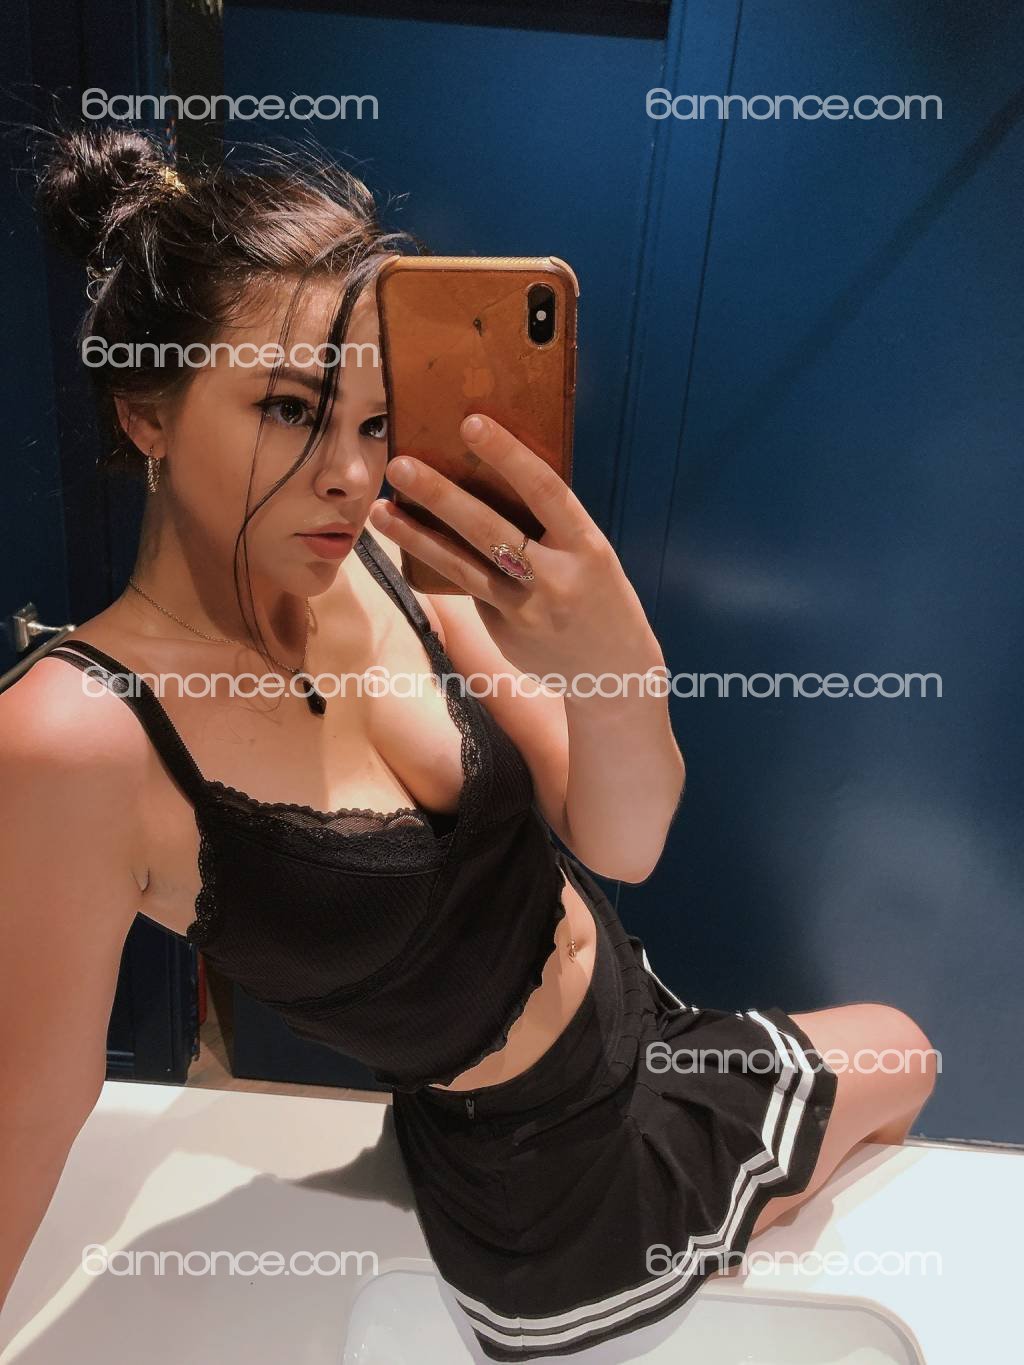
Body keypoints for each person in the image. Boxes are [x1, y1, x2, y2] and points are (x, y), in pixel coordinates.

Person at [0, 126, 936, 1358]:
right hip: (564, 1198)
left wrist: (617, 660)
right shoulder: (77, 735)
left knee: (903, 1058)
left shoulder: (382, 563)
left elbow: (623, 839)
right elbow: (28, 1109)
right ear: (145, 414)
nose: (350, 475)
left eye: (376, 423)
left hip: (642, 1029)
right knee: (903, 1068)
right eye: (290, 410)